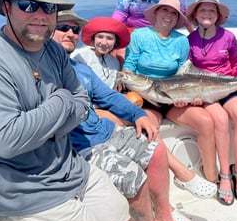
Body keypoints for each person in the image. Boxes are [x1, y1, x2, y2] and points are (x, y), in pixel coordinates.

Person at [0, 0, 132, 221]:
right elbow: (7, 141)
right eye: (27, 4)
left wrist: (41, 128)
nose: (39, 14)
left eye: (48, 7)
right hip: (21, 191)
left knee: (122, 216)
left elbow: (82, 106)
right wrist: (61, 100)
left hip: (69, 169)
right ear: (6, 7)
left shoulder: (53, 50)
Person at [53, 9, 192, 221]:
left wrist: (138, 114)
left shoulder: (80, 68)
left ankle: (164, 214)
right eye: (62, 28)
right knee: (133, 176)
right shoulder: (42, 71)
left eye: (74, 29)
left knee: (155, 148)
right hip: (81, 146)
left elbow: (107, 95)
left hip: (103, 130)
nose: (70, 33)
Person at [72, 14, 217, 202]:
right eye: (100, 37)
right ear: (91, 39)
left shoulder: (114, 62)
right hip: (92, 109)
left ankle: (185, 182)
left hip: (111, 103)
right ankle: (182, 174)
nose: (104, 42)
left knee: (143, 119)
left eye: (109, 38)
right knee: (143, 123)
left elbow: (112, 90)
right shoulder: (81, 58)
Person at [123, 0, 221, 187]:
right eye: (165, 10)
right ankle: (167, 179)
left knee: (206, 122)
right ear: (156, 12)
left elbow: (180, 74)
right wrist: (124, 76)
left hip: (173, 96)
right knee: (149, 129)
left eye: (174, 13)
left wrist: (184, 97)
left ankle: (211, 177)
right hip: (145, 96)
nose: (168, 16)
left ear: (177, 19)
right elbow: (130, 64)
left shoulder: (181, 41)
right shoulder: (140, 35)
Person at [186, 0, 237, 205]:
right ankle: (224, 175)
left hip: (230, 87)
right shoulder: (190, 40)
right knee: (221, 121)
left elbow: (236, 65)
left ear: (218, 15)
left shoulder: (229, 37)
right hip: (204, 91)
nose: (207, 13)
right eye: (202, 9)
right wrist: (195, 96)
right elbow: (187, 73)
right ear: (196, 14)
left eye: (211, 10)